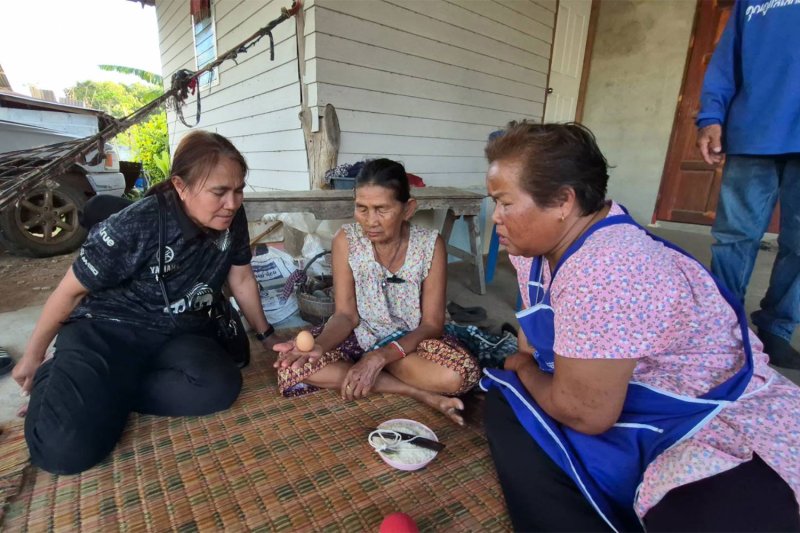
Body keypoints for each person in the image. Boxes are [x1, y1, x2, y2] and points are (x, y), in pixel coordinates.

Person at [481, 121, 800, 531]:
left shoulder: (608, 266)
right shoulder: (534, 249)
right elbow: (534, 329)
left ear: (563, 200)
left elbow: (586, 413)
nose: (496, 219)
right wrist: (528, 364)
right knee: (509, 404)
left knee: (712, 506)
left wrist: (522, 368)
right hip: (628, 401)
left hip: (707, 417)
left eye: (505, 203)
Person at [11, 131, 279, 475]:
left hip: (177, 332)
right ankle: (56, 374)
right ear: (180, 186)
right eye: (220, 192)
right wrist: (33, 356)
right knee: (64, 452)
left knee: (219, 387)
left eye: (239, 189)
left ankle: (100, 390)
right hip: (107, 329)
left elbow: (239, 278)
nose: (233, 202)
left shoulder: (232, 218)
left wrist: (267, 335)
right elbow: (70, 291)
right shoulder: (135, 223)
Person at [273, 158, 480, 425]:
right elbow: (346, 315)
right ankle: (417, 391)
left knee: (460, 376)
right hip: (362, 336)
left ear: (408, 209)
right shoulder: (346, 240)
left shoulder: (430, 245)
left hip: (412, 343)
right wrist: (321, 346)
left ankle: (372, 368)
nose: (370, 221)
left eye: (382, 209)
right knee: (294, 366)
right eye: (362, 208)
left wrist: (379, 357)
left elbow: (431, 324)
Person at [696, 0, 800, 368]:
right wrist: (710, 116)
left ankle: (777, 328)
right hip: (753, 132)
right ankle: (724, 324)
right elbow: (725, 63)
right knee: (734, 237)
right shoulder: (751, 2)